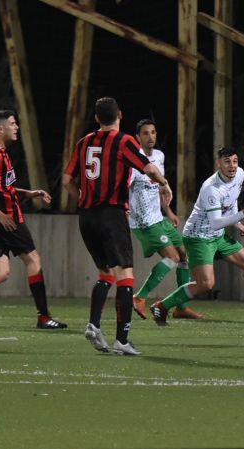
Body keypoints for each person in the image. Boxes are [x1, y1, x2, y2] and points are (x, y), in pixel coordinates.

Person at [63, 97, 170, 355]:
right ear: (119, 115)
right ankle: (122, 339)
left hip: (86, 217)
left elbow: (67, 179)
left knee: (106, 274)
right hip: (111, 215)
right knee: (125, 276)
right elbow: (149, 169)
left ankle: (94, 325)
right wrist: (164, 184)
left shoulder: (84, 142)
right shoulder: (123, 141)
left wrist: (82, 198)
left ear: (97, 118)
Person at [150, 147, 244, 325]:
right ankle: (161, 306)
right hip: (199, 237)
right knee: (206, 284)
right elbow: (215, 222)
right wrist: (243, 214)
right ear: (218, 164)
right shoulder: (210, 189)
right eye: (227, 162)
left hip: (218, 236)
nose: (232, 166)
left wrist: (236, 221)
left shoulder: (240, 174)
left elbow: (232, 198)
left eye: (235, 161)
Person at [0, 110, 66, 330]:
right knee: (33, 260)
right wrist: (0, 214)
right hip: (6, 219)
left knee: (2, 271)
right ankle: (44, 317)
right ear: (1, 128)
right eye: (13, 124)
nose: (16, 127)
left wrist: (28, 193)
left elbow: (1, 188)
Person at [128, 119, 202, 320]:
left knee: (184, 255)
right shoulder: (133, 161)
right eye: (145, 133)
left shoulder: (159, 156)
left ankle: (181, 307)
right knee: (173, 257)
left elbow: (159, 187)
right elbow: (122, 187)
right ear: (137, 138)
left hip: (159, 217)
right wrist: (123, 208)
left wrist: (168, 211)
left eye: (153, 132)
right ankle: (139, 297)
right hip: (144, 221)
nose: (150, 136)